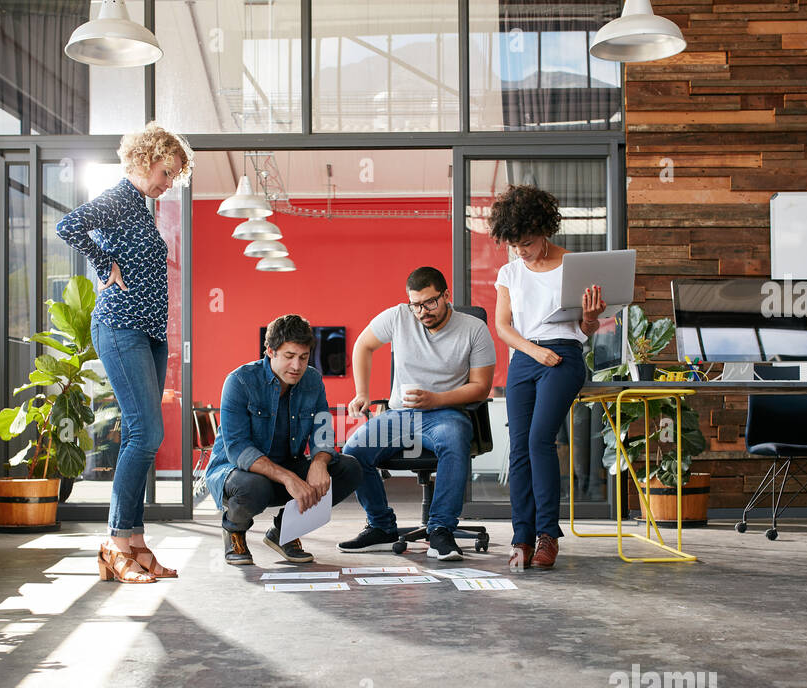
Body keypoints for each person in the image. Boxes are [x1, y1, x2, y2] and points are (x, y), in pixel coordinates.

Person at [56, 122, 193, 584]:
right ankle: (115, 544)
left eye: (174, 175)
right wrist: (103, 264)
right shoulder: (118, 198)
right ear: (144, 159)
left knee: (145, 438)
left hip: (150, 333)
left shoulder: (141, 208)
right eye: (165, 171)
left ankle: (134, 541)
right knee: (145, 433)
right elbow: (68, 226)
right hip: (120, 328)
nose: (168, 182)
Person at [338, 267, 496, 561]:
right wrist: (361, 392)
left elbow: (481, 388)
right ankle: (382, 527)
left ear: (446, 295)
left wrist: (436, 399)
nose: (422, 312)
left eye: (429, 303)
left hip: (446, 412)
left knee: (454, 440)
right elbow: (363, 345)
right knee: (353, 451)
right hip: (400, 414)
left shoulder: (474, 329)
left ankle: (440, 531)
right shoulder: (399, 316)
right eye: (416, 305)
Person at [491, 185, 607, 570]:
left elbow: (585, 329)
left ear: (544, 230)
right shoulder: (510, 272)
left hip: (565, 356)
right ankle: (521, 537)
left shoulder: (574, 266)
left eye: (526, 242)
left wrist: (591, 317)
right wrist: (533, 350)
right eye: (514, 244)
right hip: (526, 358)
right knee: (519, 446)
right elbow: (503, 327)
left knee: (541, 440)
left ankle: (547, 535)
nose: (521, 251)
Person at [205, 314, 363, 566]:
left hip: (287, 465)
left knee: (350, 467)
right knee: (255, 486)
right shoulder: (239, 381)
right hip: (237, 474)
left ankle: (284, 532)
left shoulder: (312, 380)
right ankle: (234, 529)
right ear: (270, 351)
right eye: (289, 356)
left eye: (303, 357)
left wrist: (319, 463)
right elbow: (238, 450)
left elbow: (323, 434)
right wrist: (290, 478)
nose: (297, 366)